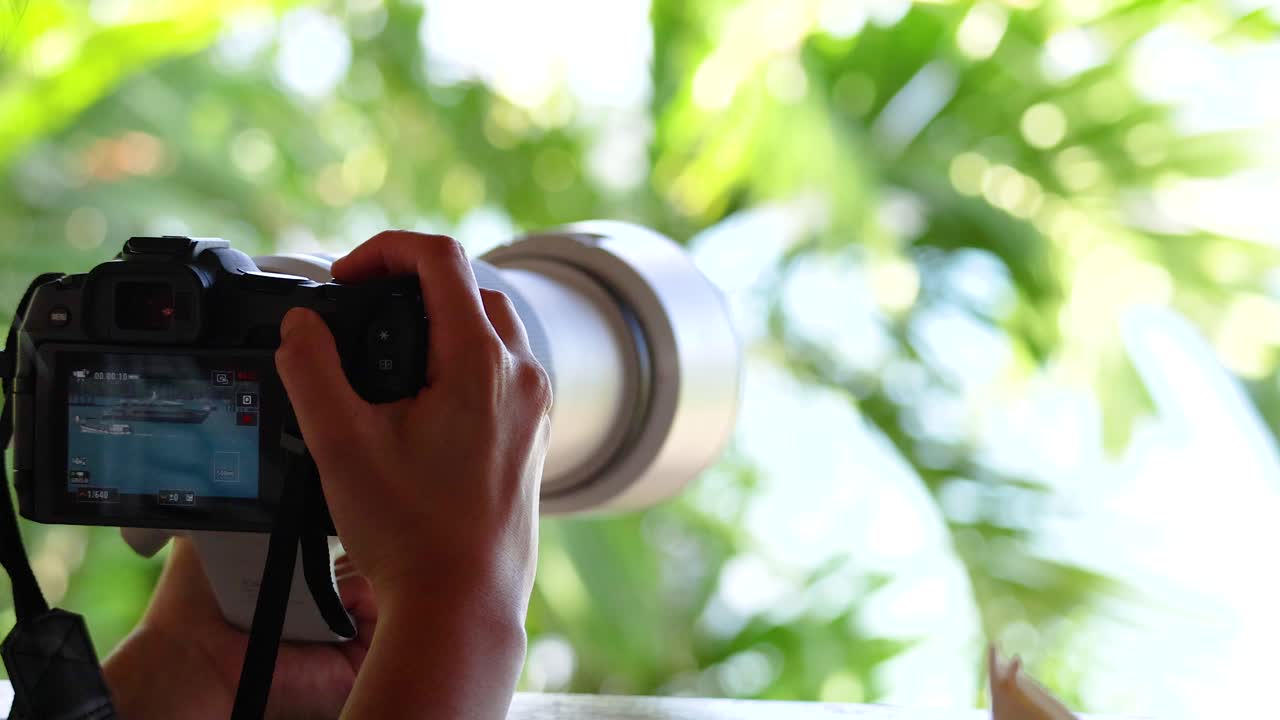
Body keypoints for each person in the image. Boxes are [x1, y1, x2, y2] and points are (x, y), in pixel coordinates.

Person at [101, 231, 554, 719]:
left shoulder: (200, 654)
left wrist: (192, 660)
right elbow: (453, 590)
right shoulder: (451, 591)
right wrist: (456, 592)